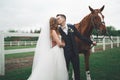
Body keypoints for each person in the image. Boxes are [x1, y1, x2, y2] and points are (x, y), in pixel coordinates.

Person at [56, 14, 96, 80]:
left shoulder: (71, 27)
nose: (57, 20)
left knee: (77, 71)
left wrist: (91, 42)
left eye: (58, 18)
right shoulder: (58, 30)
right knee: (65, 71)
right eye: (56, 19)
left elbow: (81, 36)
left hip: (75, 53)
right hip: (65, 54)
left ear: (64, 19)